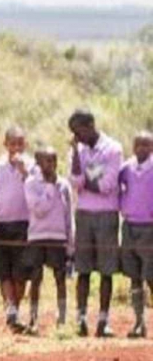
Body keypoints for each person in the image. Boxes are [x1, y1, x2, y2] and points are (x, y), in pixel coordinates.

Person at [68, 110, 122, 337]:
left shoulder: (112, 149)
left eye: (78, 131)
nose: (76, 137)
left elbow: (108, 185)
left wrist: (85, 183)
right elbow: (74, 181)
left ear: (90, 125)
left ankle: (103, 320)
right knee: (83, 269)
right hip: (83, 214)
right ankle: (81, 319)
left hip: (107, 215)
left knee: (106, 270)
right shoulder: (77, 151)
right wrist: (76, 156)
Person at [0, 127, 34, 332]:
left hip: (25, 225)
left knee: (20, 273)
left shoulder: (33, 167)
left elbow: (36, 191)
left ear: (25, 145)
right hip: (2, 224)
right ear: (5, 145)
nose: (16, 148)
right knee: (3, 271)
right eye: (12, 144)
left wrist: (24, 172)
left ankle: (18, 308)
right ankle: (10, 312)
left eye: (20, 144)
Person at [25, 146, 74, 331]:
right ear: (39, 163)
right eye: (47, 161)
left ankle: (62, 319)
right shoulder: (31, 183)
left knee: (60, 278)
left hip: (58, 237)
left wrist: (71, 243)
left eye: (54, 161)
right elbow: (38, 210)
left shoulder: (64, 185)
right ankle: (33, 318)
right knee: (36, 278)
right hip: (37, 237)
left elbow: (69, 215)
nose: (51, 165)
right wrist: (49, 187)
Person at [120, 131, 153, 338]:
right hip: (129, 226)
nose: (142, 149)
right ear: (133, 147)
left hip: (149, 227)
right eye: (138, 145)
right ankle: (139, 322)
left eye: (147, 145)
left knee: (150, 275)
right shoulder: (126, 168)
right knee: (134, 276)